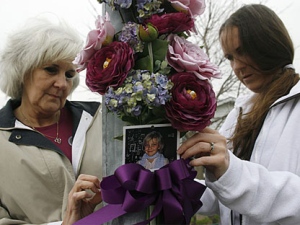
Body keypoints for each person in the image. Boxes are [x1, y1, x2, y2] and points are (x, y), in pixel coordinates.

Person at [177, 4, 300, 225]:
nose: (237, 67)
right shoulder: (240, 113)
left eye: (243, 51)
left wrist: (233, 172)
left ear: (270, 43)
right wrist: (171, 183)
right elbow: (222, 198)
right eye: (230, 57)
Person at [0, 17, 103, 225]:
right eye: (51, 69)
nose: (62, 83)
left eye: (69, 74)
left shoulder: (100, 120)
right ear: (23, 70)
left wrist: (187, 139)